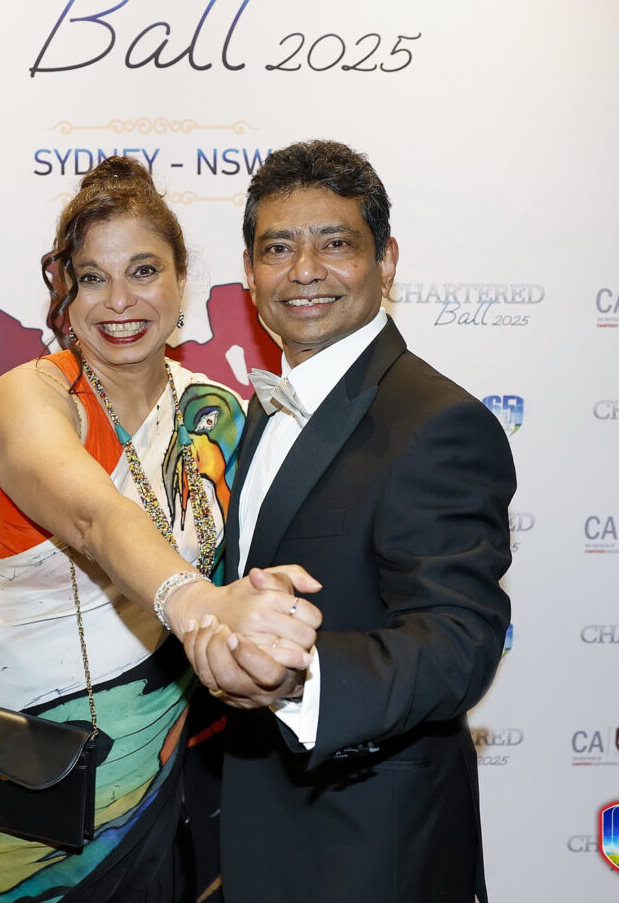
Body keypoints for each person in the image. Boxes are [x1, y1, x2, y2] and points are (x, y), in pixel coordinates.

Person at [0, 156, 321, 903]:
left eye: (143, 270)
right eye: (92, 277)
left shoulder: (216, 414)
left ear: (180, 282)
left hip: (158, 778)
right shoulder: (31, 395)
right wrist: (194, 601)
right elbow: (93, 516)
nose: (119, 301)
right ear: (65, 294)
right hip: (15, 785)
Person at [184, 140, 517, 902]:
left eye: (335, 244)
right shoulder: (263, 410)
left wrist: (298, 676)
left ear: (386, 261)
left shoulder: (436, 421)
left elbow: (459, 641)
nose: (304, 270)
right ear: (248, 273)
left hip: (370, 852)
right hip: (257, 836)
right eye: (278, 248)